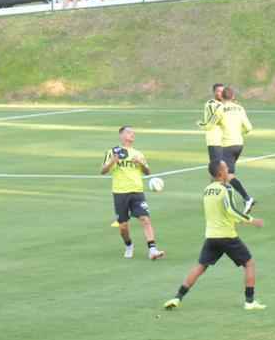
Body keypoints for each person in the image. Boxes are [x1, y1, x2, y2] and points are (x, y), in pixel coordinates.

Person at [164, 161, 266, 312]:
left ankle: (177, 298)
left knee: (200, 267)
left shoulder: (207, 190)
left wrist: (233, 220)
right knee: (249, 263)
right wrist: (251, 220)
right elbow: (230, 209)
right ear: (220, 173)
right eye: (225, 168)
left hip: (211, 236)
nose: (228, 170)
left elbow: (219, 211)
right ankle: (249, 302)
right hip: (227, 236)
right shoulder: (226, 188)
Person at [100, 126, 164, 260]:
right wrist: (112, 162)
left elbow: (148, 172)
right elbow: (103, 171)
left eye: (133, 133)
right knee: (123, 226)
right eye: (129, 133)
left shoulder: (138, 153)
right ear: (121, 135)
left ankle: (152, 249)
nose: (132, 135)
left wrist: (141, 163)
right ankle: (129, 245)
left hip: (137, 191)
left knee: (145, 219)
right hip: (120, 192)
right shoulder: (113, 152)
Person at [216, 87, 255, 212]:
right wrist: (239, 132)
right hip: (239, 144)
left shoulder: (220, 109)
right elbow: (249, 128)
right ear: (233, 96)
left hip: (227, 145)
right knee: (224, 173)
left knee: (227, 175)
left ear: (222, 96)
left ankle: (247, 198)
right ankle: (225, 200)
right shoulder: (240, 108)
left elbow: (212, 124)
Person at [198, 83, 226, 177]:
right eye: (218, 91)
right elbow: (215, 120)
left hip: (224, 140)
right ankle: (216, 187)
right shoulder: (211, 104)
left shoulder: (225, 104)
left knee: (224, 166)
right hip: (214, 139)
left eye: (223, 91)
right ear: (214, 92)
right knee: (216, 167)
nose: (221, 93)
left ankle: (223, 185)